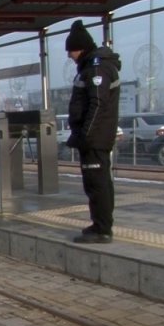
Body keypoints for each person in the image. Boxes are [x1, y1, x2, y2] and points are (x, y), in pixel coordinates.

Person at [64, 19, 121, 244]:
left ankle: (103, 229)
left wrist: (86, 135)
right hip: (94, 137)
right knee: (97, 182)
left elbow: (97, 103)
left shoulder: (97, 68)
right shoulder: (93, 67)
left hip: (94, 138)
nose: (70, 55)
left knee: (97, 183)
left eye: (71, 50)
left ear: (81, 47)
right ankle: (100, 223)